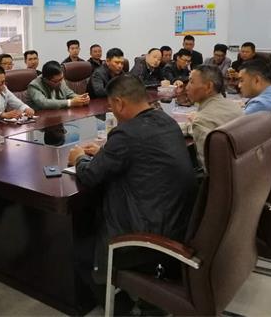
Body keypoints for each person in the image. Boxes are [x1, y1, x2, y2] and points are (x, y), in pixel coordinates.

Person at [67, 75, 197, 308]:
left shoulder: (126, 133)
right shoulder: (165, 120)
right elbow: (139, 155)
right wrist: (105, 153)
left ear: (119, 103)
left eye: (111, 106)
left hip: (146, 233)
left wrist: (79, 158)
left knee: (79, 246)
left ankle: (119, 306)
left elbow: (90, 175)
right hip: (177, 221)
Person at [185, 65, 243, 169]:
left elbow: (210, 169)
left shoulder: (201, 120)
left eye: (191, 82)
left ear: (208, 87)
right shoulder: (234, 106)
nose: (186, 87)